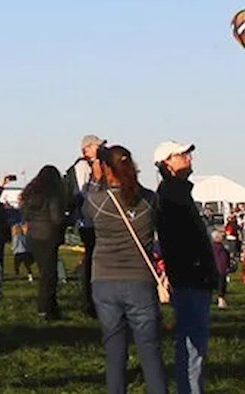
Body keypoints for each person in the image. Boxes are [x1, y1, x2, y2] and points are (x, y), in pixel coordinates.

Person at [84, 144, 168, 394]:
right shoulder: (150, 200)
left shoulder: (97, 202)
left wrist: (96, 174)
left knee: (115, 352)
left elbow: (85, 208)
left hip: (105, 280)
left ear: (107, 168)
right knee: (150, 351)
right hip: (140, 280)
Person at [153, 140, 216, 394]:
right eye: (182, 155)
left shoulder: (177, 192)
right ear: (167, 162)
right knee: (193, 343)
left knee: (192, 341)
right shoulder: (172, 194)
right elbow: (182, 240)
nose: (188, 158)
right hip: (191, 276)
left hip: (191, 274)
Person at [19, 164, 68, 320]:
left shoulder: (30, 194)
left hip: (33, 236)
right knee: (49, 276)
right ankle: (48, 308)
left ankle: (45, 308)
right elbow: (56, 218)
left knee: (44, 273)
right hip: (48, 236)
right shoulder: (52, 194)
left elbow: (25, 215)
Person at [72, 134, 105, 317]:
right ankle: (89, 301)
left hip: (90, 218)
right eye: (96, 146)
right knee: (91, 260)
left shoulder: (90, 165)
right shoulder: (83, 166)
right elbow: (85, 192)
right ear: (86, 149)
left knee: (92, 259)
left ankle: (93, 299)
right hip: (88, 220)